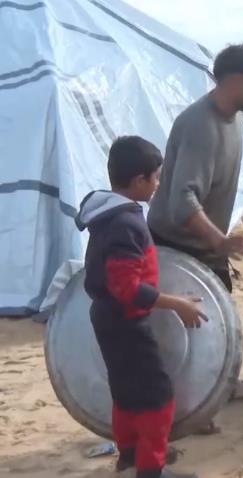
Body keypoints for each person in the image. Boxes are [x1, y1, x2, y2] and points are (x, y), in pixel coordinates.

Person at [147, 44, 243, 428]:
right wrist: (220, 241)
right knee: (187, 331)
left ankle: (220, 387)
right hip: (178, 245)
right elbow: (183, 202)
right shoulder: (200, 125)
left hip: (206, 246)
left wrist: (218, 242)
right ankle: (193, 409)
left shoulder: (233, 117)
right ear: (233, 81)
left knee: (220, 320)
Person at [77, 136, 204, 478]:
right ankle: (151, 468)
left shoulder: (109, 214)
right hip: (125, 322)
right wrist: (175, 303)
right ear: (138, 181)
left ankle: (130, 453)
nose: (158, 184)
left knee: (126, 391)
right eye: (156, 178)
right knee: (156, 396)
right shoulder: (125, 224)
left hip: (107, 318)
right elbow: (128, 290)